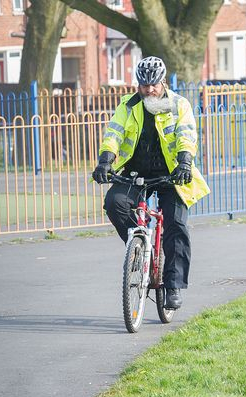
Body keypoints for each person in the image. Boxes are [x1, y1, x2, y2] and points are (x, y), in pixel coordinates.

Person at [92, 56, 210, 310]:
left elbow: (186, 135)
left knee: (176, 226)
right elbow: (114, 133)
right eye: (144, 85)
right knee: (115, 203)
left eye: (153, 84)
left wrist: (185, 163)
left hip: (171, 174)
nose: (149, 90)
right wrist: (105, 161)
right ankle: (138, 247)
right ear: (138, 84)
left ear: (162, 81)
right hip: (135, 172)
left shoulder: (179, 104)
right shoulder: (128, 105)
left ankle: (174, 284)